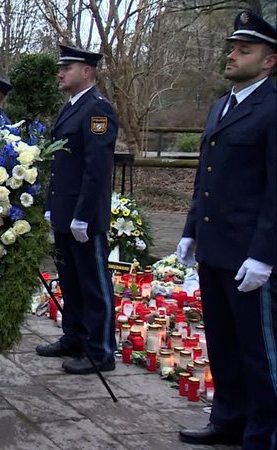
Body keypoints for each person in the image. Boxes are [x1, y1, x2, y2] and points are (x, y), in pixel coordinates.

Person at [175, 10, 276, 447]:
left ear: (270, 61)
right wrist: (190, 229)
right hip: (215, 247)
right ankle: (229, 419)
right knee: (222, 343)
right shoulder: (222, 104)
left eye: (244, 49)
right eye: (232, 48)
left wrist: (265, 254)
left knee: (259, 352)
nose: (232, 55)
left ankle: (264, 432)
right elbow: (207, 176)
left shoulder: (272, 107)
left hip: (250, 252)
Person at [37, 44, 118, 375]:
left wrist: (83, 215)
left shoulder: (98, 110)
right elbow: (60, 165)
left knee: (93, 283)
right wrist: (51, 207)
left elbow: (95, 169)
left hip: (83, 217)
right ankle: (74, 336)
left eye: (67, 68)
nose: (60, 73)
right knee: (69, 279)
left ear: (87, 72)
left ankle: (101, 350)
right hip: (63, 213)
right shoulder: (70, 108)